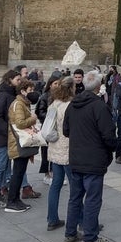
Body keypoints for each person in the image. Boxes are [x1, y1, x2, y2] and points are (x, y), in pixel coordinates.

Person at [63, 70, 117, 242]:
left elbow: (66, 131)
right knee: (93, 199)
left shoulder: (73, 105)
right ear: (99, 87)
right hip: (93, 160)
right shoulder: (99, 106)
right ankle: (90, 237)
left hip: (76, 158)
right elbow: (108, 135)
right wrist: (113, 148)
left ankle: (70, 233)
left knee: (75, 197)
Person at [4, 78, 40, 213]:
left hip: (20, 142)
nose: (33, 93)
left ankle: (16, 200)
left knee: (20, 172)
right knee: (18, 173)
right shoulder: (18, 104)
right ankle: (11, 201)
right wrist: (33, 119)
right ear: (23, 91)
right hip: (18, 143)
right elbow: (19, 123)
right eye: (30, 90)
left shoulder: (23, 103)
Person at [45, 76, 75, 231]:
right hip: (68, 151)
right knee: (75, 188)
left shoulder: (53, 104)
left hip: (55, 150)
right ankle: (82, 221)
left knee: (55, 185)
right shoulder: (70, 106)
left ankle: (52, 219)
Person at [36, 74, 62, 184]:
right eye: (55, 83)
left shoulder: (61, 96)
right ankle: (46, 173)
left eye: (59, 84)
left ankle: (54, 172)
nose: (57, 86)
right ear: (50, 85)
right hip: (47, 127)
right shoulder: (44, 96)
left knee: (56, 150)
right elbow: (39, 112)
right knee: (45, 151)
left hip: (57, 127)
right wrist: (51, 115)